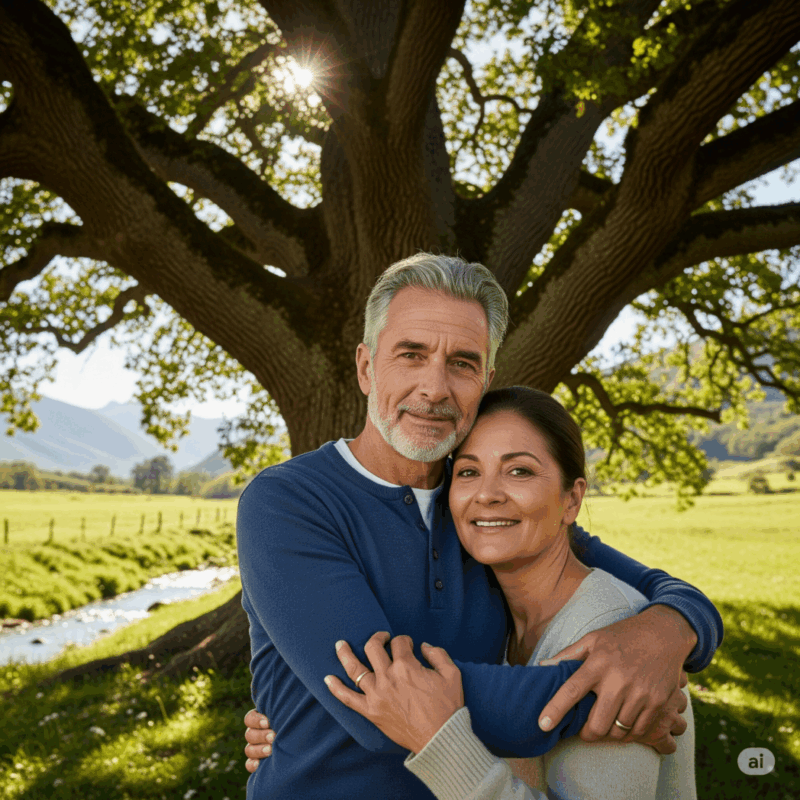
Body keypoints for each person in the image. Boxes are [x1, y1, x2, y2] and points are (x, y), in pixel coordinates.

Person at [237, 253, 722, 799]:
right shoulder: (287, 502)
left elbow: (659, 588)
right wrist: (616, 693)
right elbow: (379, 706)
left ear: (486, 379)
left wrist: (667, 631)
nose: (435, 387)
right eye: (411, 355)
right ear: (366, 367)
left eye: (462, 363)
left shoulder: (483, 511)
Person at [320, 386, 698, 799]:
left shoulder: (611, 630)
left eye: (519, 471)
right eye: (468, 472)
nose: (488, 494)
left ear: (571, 500)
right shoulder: (489, 610)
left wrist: (440, 743)